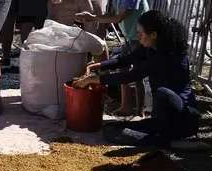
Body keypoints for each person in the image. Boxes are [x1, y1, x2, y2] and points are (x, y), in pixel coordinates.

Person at [76, 10, 201, 148]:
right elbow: (125, 60)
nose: (138, 37)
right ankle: (164, 141)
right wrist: (96, 65)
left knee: (163, 92)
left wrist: (94, 79)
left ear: (153, 35)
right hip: (162, 119)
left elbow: (131, 76)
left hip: (182, 118)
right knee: (111, 129)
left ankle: (170, 142)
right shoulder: (151, 47)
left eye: (141, 33)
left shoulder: (169, 57)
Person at [76, 0, 150, 116]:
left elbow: (118, 18)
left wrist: (93, 18)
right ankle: (126, 106)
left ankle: (140, 111)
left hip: (140, 40)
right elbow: (111, 14)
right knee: (123, 69)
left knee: (137, 74)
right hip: (129, 37)